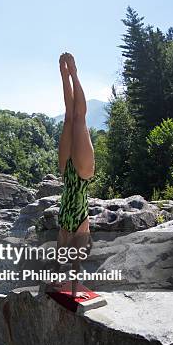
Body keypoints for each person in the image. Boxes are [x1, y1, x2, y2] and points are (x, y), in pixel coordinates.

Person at [57, 53, 95, 298]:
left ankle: (70, 73)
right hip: (73, 174)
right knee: (73, 119)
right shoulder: (65, 231)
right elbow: (68, 264)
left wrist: (72, 291)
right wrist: (72, 292)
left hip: (76, 176)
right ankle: (68, 73)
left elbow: (73, 265)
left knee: (75, 119)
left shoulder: (77, 230)